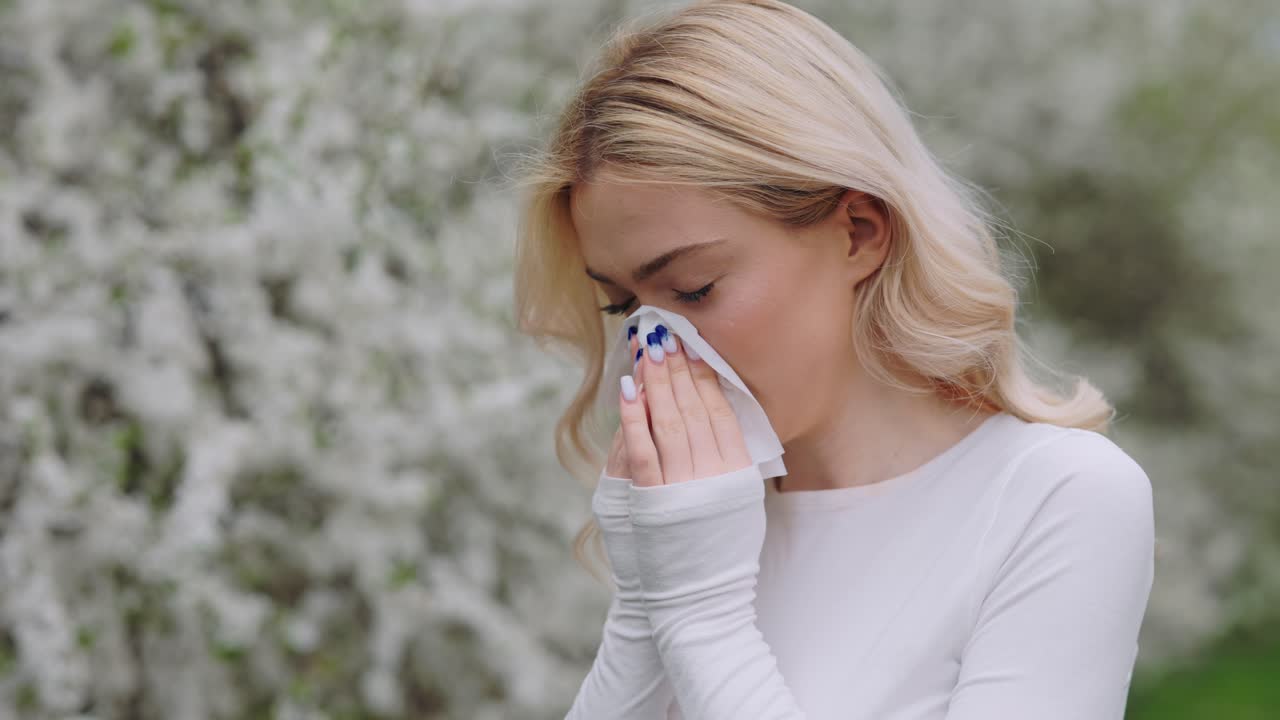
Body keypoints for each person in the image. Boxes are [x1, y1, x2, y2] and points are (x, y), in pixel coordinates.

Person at [509, 1, 1156, 717]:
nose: (659, 351)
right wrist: (641, 609)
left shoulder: (1055, 497)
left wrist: (701, 618)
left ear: (859, 230)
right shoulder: (703, 531)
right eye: (626, 308)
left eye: (695, 288)